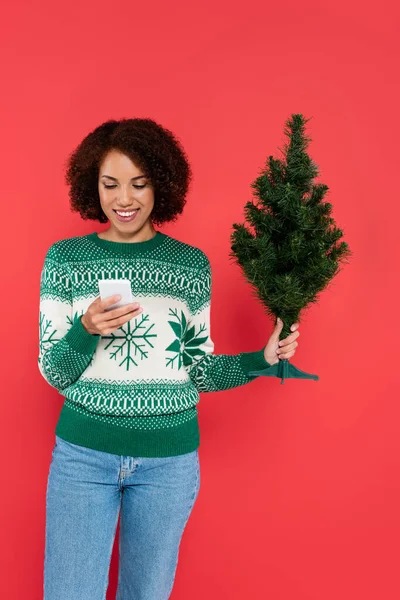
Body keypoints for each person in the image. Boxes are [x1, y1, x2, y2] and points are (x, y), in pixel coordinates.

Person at [39, 118, 300, 600]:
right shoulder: (65, 260)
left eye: (139, 184)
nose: (124, 198)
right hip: (82, 459)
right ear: (91, 185)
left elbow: (197, 370)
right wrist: (85, 330)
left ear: (162, 184)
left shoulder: (189, 265)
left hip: (169, 465)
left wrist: (260, 359)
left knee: (147, 593)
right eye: (110, 183)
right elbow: (54, 370)